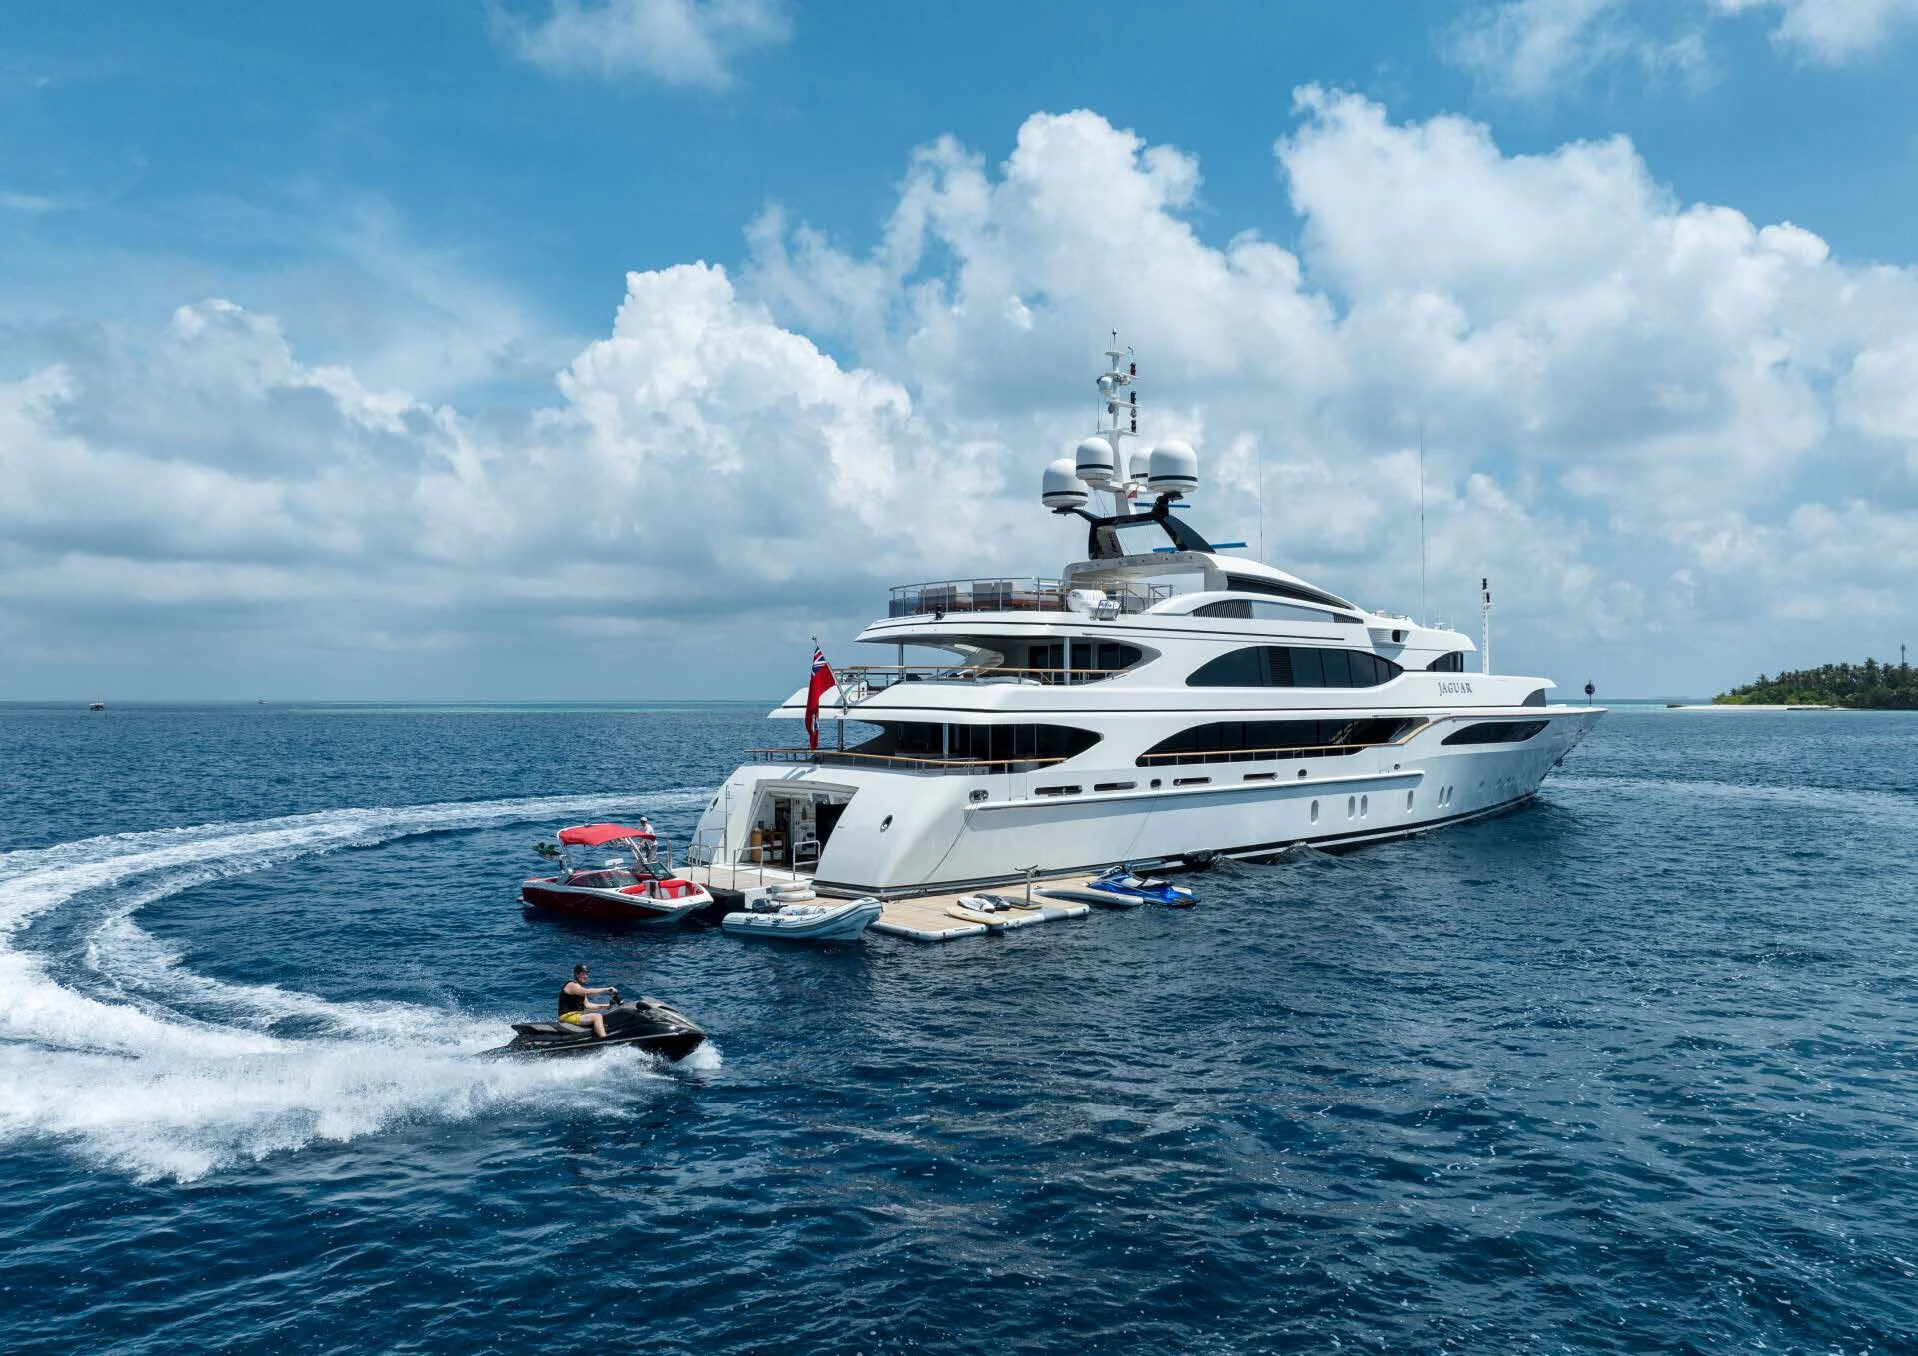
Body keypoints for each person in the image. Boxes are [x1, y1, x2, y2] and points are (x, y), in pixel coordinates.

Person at [556, 964, 619, 1039]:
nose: (586, 976)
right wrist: (606, 989)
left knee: (600, 1015)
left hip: (576, 1015)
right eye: (583, 974)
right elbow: (588, 991)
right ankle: (604, 1040)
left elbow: (587, 1005)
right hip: (567, 1017)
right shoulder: (572, 985)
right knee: (597, 1016)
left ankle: (597, 1034)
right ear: (577, 974)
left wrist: (606, 1006)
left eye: (587, 974)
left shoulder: (580, 988)